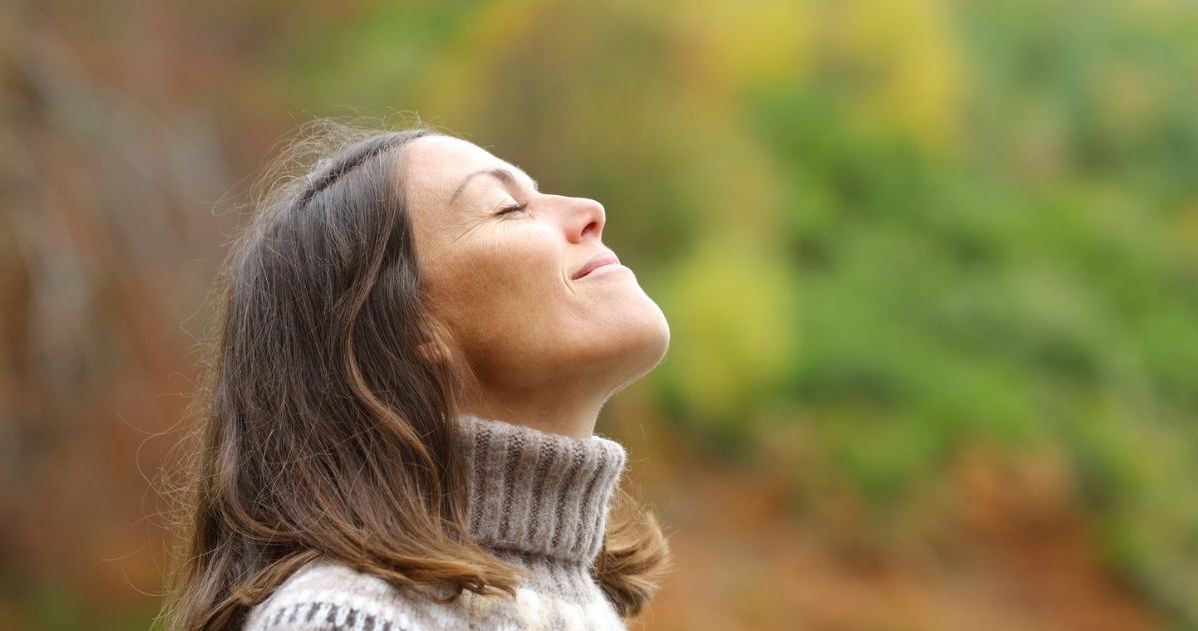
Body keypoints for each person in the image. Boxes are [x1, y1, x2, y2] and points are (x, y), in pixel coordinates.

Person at [157, 121, 673, 631]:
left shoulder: (581, 608)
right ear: (406, 328)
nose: (591, 212)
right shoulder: (343, 620)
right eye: (510, 209)